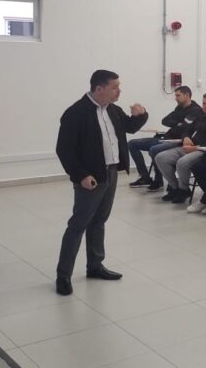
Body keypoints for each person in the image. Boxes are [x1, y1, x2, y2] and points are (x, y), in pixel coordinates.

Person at [55, 70, 148, 295]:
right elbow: (64, 150)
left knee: (99, 221)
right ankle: (63, 276)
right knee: (78, 225)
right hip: (91, 177)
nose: (119, 91)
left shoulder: (113, 110)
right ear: (99, 89)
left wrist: (141, 115)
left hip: (111, 172)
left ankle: (95, 266)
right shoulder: (76, 113)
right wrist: (80, 176)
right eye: (115, 87)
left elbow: (130, 127)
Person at [155, 92, 206, 203]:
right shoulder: (200, 117)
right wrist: (186, 137)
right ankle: (175, 188)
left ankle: (183, 190)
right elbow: (186, 129)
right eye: (204, 103)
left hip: (203, 151)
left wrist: (196, 148)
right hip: (188, 147)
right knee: (160, 157)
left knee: (182, 163)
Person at [128, 85, 201, 190]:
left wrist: (178, 124)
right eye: (175, 95)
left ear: (187, 95)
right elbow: (165, 120)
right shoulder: (179, 108)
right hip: (166, 138)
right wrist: (178, 123)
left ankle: (158, 181)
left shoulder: (195, 110)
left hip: (177, 141)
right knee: (132, 144)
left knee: (154, 149)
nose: (175, 98)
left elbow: (185, 127)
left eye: (178, 95)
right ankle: (145, 177)